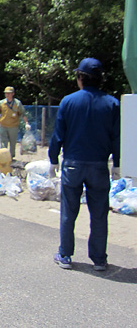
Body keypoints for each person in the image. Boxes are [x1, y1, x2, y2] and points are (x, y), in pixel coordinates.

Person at [49, 58, 120, 271]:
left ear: (80, 77)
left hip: (72, 164)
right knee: (99, 214)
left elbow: (58, 134)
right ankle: (99, 259)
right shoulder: (112, 104)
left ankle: (65, 255)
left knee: (69, 212)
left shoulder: (68, 101)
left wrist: (53, 159)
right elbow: (116, 137)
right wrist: (117, 163)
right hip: (99, 164)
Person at [0, 86, 30, 159]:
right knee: (3, 142)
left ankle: (11, 157)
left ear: (13, 94)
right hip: (3, 126)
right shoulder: (2, 103)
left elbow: (23, 114)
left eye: (9, 93)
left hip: (13, 126)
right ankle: (3, 157)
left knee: (13, 142)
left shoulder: (17, 103)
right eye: (6, 93)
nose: (7, 95)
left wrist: (26, 123)